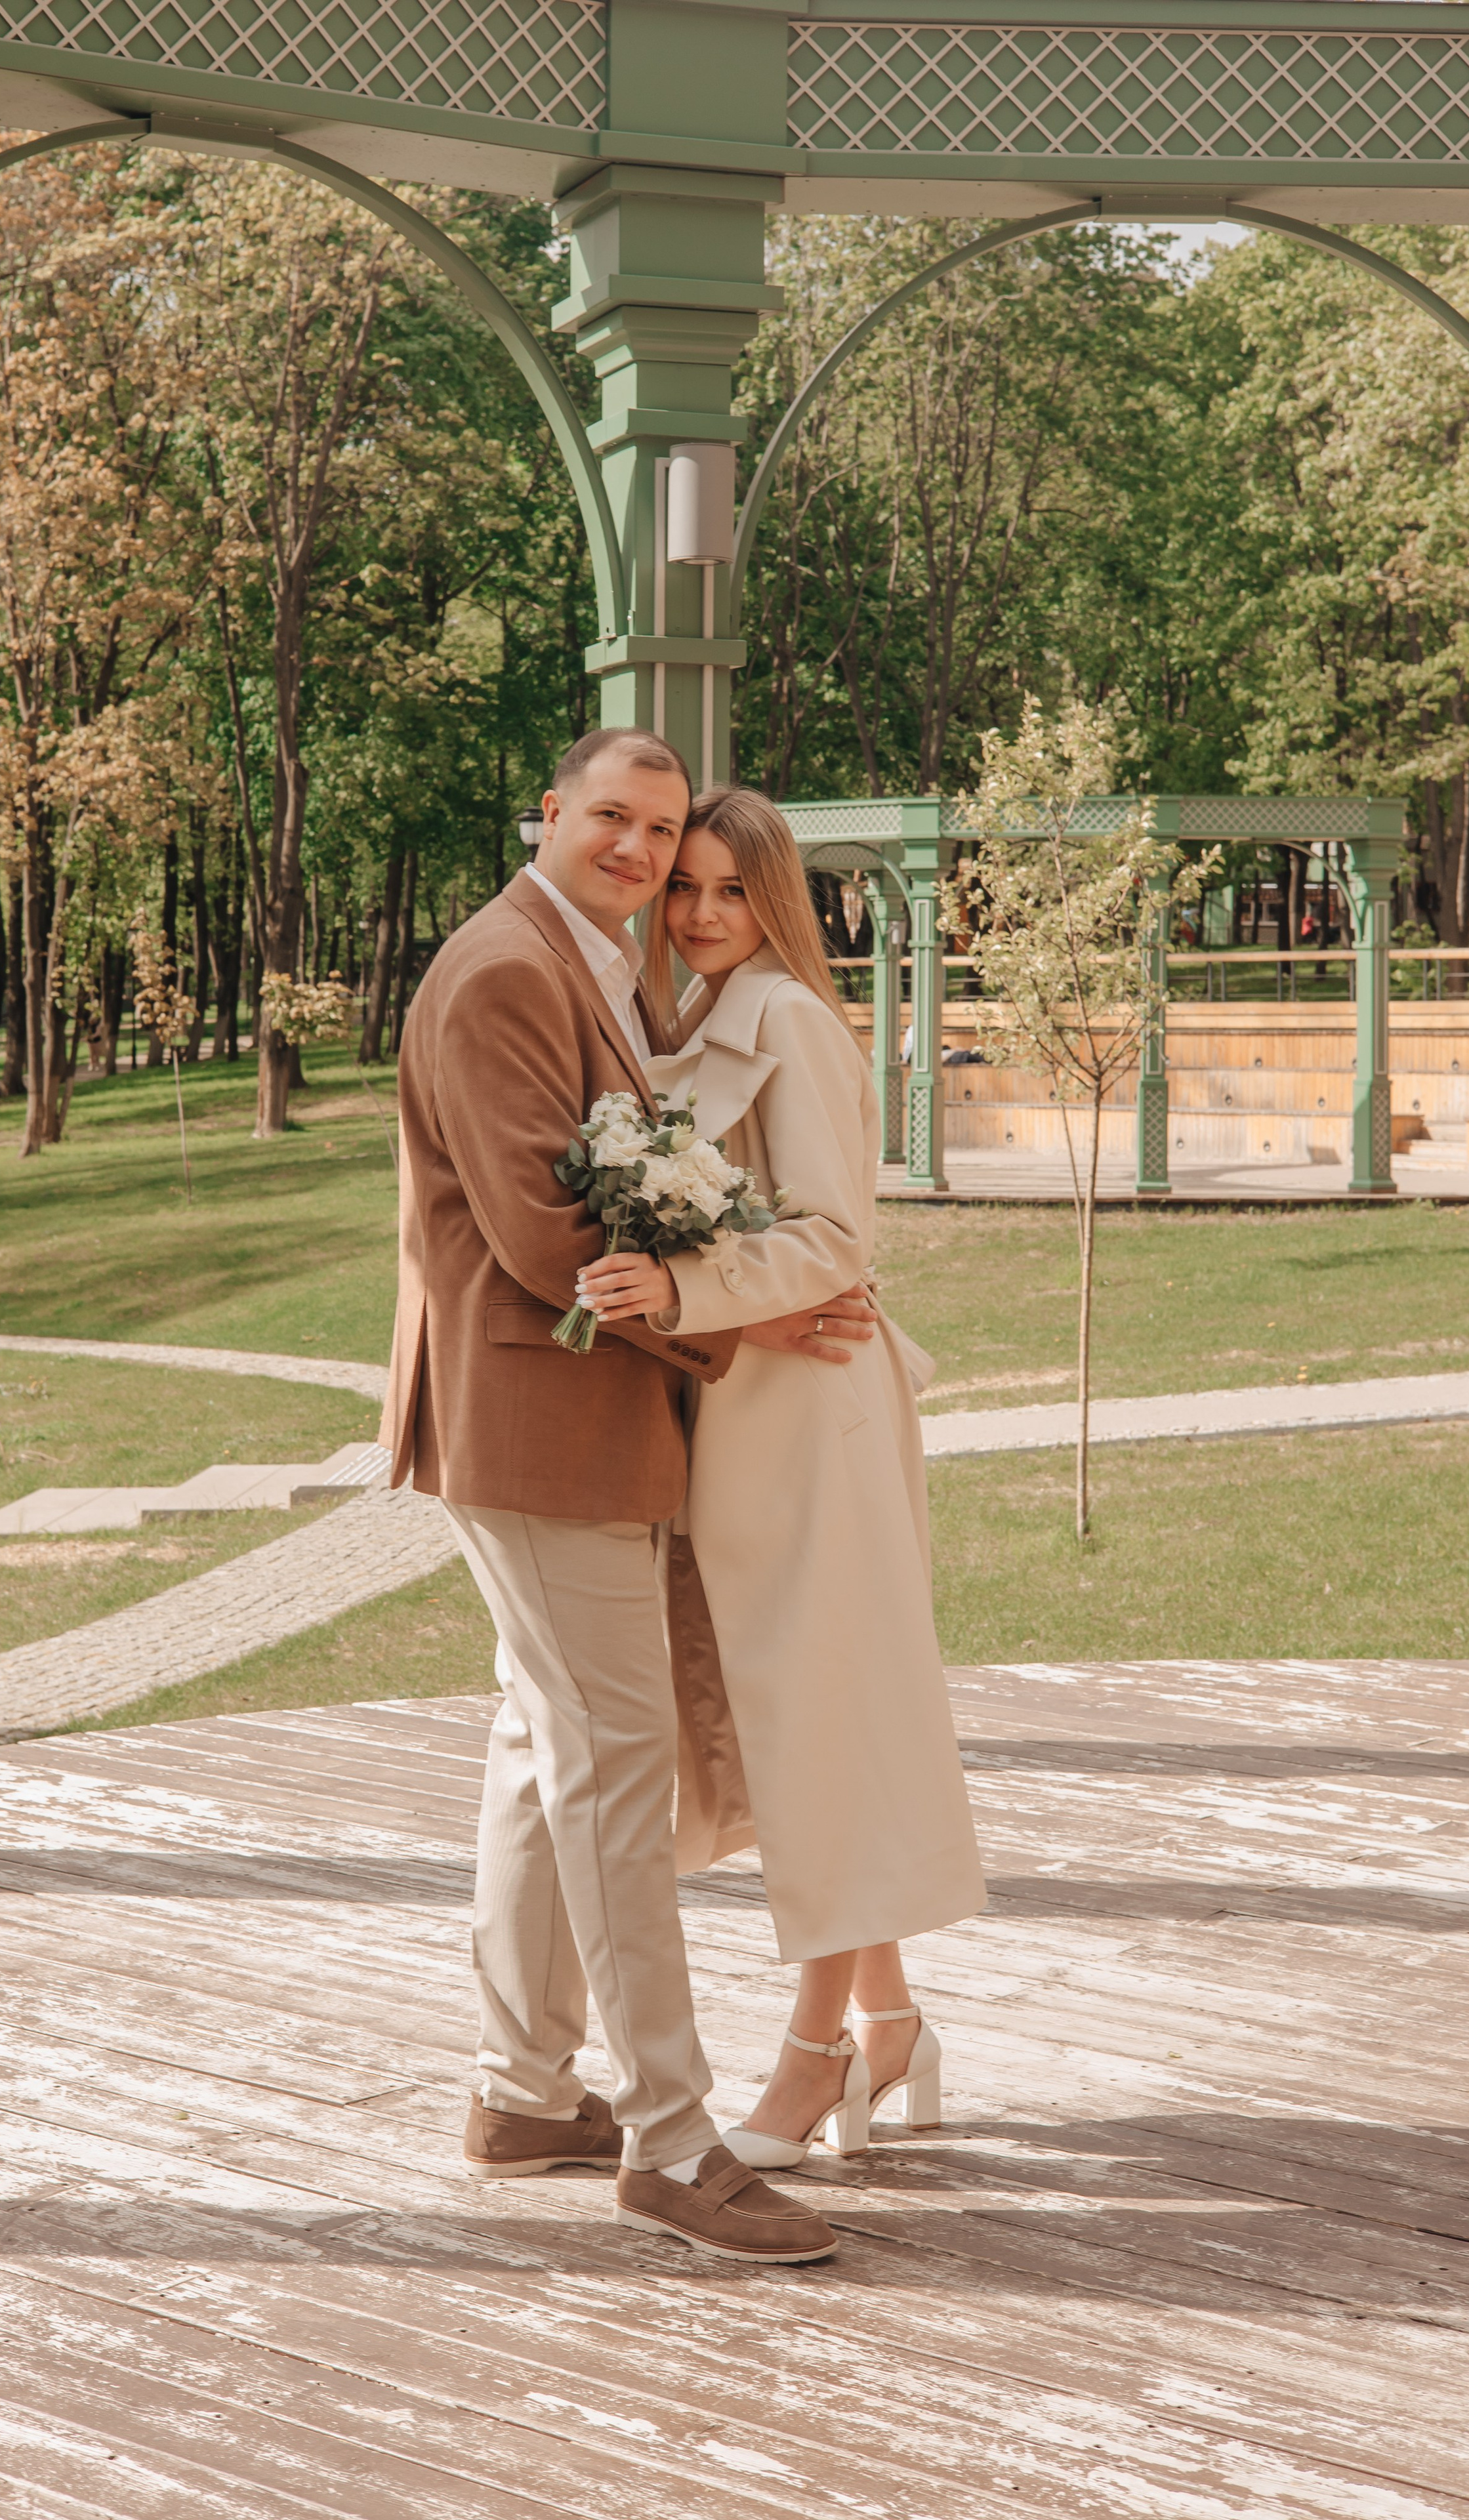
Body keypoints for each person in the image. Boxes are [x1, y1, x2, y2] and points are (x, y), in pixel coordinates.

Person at [382, 727, 876, 2263]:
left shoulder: (581, 957)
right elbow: (548, 1243)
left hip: (559, 1421)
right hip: (538, 1422)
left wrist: (729, 1295)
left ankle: (524, 2087)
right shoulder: (504, 972)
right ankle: (673, 2142)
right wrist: (746, 1311)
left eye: (662, 831)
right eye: (614, 817)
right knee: (613, 1764)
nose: (642, 852)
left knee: (544, 1746)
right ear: (550, 811)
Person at [579, 783, 985, 2168]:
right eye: (679, 887)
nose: (693, 912)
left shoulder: (790, 1024)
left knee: (818, 1729)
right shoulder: (674, 1027)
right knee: (798, 1726)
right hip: (735, 1415)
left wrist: (677, 1284)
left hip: (809, 1422)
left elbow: (834, 1241)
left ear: (774, 903)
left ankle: (812, 2054)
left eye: (725, 892)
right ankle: (890, 2022)